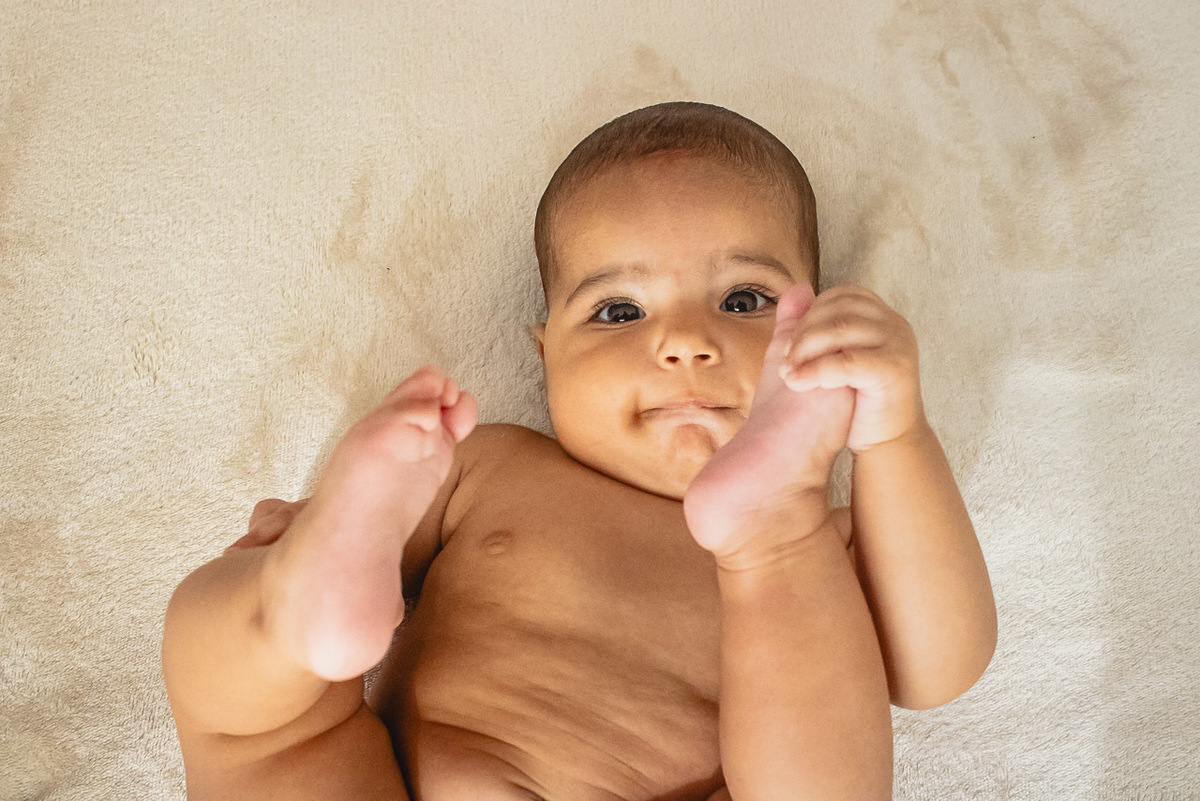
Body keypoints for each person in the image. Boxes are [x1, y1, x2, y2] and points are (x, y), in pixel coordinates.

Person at [161, 101, 997, 800]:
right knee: (259, 721)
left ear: (809, 333)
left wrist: (894, 431)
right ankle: (296, 611)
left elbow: (936, 667)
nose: (684, 343)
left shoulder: (829, 549)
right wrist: (330, 535)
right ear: (544, 353)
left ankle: (760, 534)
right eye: (619, 312)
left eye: (744, 299)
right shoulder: (487, 465)